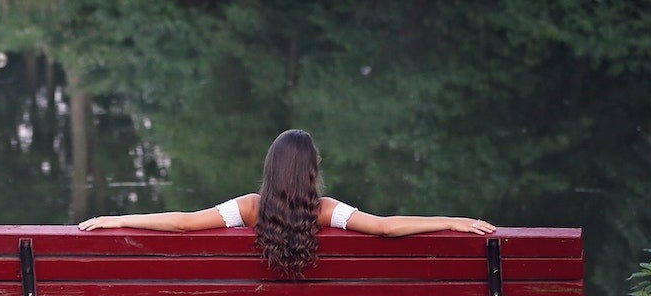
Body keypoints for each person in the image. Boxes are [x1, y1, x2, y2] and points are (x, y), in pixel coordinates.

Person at [77, 129, 496, 278]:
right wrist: (451, 221)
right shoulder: (326, 210)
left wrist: (117, 218)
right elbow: (386, 227)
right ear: (311, 170)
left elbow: (185, 223)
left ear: (271, 168)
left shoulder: (249, 208)